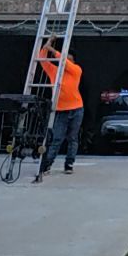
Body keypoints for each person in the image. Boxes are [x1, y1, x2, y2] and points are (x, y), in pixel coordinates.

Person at [36, 36, 83, 177]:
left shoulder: (76, 70)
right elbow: (42, 59)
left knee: (72, 138)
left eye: (69, 59)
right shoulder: (55, 71)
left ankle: (69, 164)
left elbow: (64, 62)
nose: (66, 61)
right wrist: (47, 44)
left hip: (76, 108)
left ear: (73, 62)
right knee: (57, 138)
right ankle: (47, 164)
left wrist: (52, 50)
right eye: (65, 58)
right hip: (61, 110)